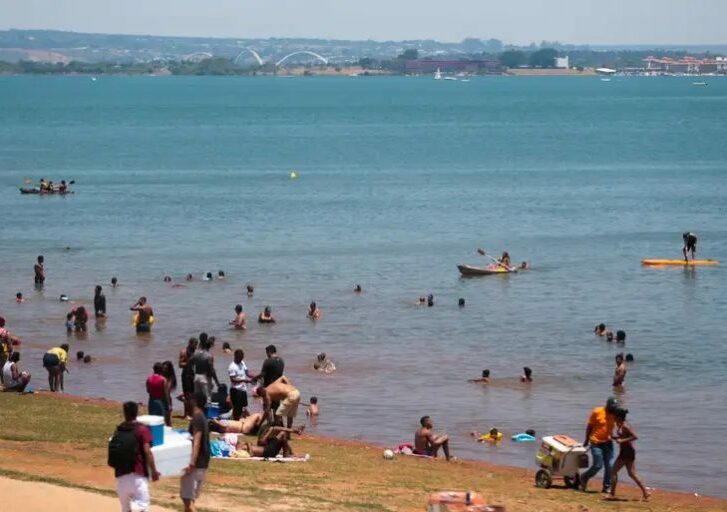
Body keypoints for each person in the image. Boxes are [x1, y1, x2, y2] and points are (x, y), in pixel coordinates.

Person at [110, 401, 160, 512]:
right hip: (138, 478)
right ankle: (136, 508)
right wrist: (154, 471)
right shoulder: (142, 430)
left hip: (121, 479)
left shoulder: (119, 430)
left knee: (125, 509)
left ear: (124, 413)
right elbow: (148, 452)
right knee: (142, 507)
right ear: (136, 413)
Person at [580, 396, 619, 494]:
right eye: (612, 407)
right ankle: (584, 477)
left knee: (609, 466)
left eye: (615, 408)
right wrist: (586, 440)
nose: (613, 409)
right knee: (598, 465)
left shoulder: (615, 414)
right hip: (596, 442)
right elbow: (589, 427)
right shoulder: (597, 411)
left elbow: (617, 426)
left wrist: (616, 436)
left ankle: (606, 487)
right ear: (607, 405)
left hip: (608, 443)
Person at [610, 408, 650, 501]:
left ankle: (612, 494)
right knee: (632, 474)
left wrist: (621, 440)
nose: (613, 418)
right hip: (628, 452)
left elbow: (635, 436)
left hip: (627, 452)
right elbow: (625, 436)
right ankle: (646, 493)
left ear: (619, 417)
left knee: (613, 471)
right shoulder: (621, 425)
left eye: (615, 416)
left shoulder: (625, 426)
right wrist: (614, 437)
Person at [181, 392, 210, 512]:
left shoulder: (197, 418)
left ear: (194, 402)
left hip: (196, 463)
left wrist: (191, 462)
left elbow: (196, 441)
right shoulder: (202, 417)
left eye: (189, 400)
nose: (186, 402)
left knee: (187, 500)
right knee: (190, 500)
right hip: (202, 463)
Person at [189, 335, 219, 401]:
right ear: (209, 346)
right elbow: (212, 370)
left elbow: (190, 361)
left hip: (196, 377)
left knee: (197, 398)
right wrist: (217, 382)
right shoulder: (209, 356)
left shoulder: (196, 354)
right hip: (205, 377)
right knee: (207, 398)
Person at [228, 349, 252, 420]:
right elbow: (232, 379)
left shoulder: (242, 363)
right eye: (239, 358)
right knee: (237, 409)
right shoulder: (232, 366)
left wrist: (255, 377)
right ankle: (235, 422)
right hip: (236, 390)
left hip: (243, 389)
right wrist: (244, 380)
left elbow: (247, 373)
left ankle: (240, 421)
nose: (241, 359)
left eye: (242, 358)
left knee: (243, 407)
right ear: (235, 356)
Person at [179, 337, 198, 419]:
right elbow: (180, 364)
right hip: (186, 375)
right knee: (187, 395)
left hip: (194, 375)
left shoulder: (196, 352)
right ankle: (186, 414)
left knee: (193, 395)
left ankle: (191, 413)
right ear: (190, 343)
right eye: (194, 344)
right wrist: (189, 362)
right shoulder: (184, 352)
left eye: (196, 344)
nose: (195, 346)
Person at [0, 317, 21, 381]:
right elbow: (9, 343)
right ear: (3, 323)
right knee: (1, 367)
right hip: (2, 351)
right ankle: (2, 382)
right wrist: (11, 352)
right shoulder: (5, 332)